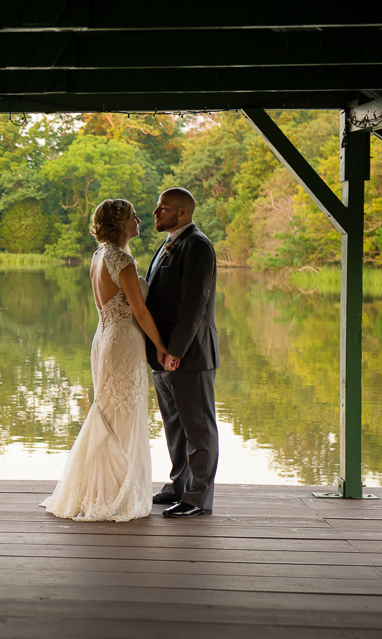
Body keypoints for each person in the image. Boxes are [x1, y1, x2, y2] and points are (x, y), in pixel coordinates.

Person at [41, 199, 172, 522]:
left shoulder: (99, 255)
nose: (140, 219)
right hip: (123, 342)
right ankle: (114, 493)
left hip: (104, 338)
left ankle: (100, 490)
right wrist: (161, 346)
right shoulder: (121, 260)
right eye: (133, 216)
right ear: (121, 223)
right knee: (124, 414)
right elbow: (139, 310)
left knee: (109, 411)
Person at [145, 187, 219, 518]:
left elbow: (194, 303)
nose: (156, 213)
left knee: (198, 428)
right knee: (175, 426)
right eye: (157, 207)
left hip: (190, 355)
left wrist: (175, 350)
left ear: (182, 212)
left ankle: (197, 497)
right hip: (163, 355)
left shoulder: (198, 245)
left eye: (163, 208)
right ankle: (178, 485)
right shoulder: (169, 242)